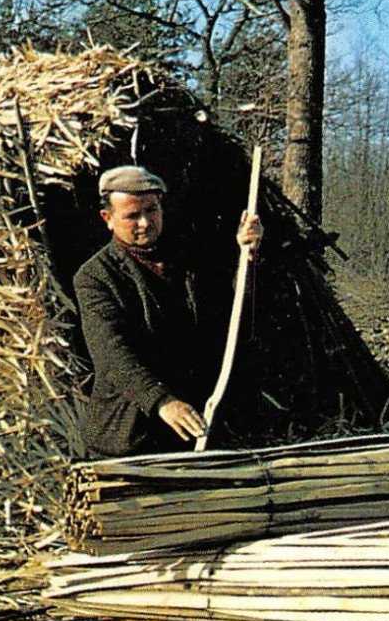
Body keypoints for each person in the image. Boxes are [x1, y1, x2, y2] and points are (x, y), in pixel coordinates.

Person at [72, 165, 263, 458]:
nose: (145, 223)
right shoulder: (95, 277)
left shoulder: (189, 259)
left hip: (195, 433)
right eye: (132, 216)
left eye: (151, 211)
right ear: (107, 219)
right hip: (128, 439)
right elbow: (112, 354)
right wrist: (161, 401)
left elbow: (233, 319)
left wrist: (247, 256)